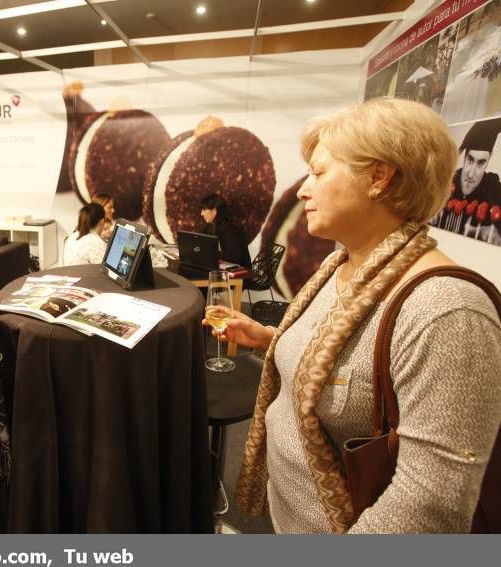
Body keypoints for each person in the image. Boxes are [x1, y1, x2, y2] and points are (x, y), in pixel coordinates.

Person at [209, 97, 501, 533]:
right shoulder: (342, 267)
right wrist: (272, 337)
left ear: (379, 178)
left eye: (319, 172)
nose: (305, 188)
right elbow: (344, 362)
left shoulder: (447, 310)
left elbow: (428, 507)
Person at [433, 117, 501, 244]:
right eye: (470, 160)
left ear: (490, 158)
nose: (471, 174)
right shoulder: (446, 182)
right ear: (464, 157)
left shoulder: (494, 189)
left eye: (481, 163)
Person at [200, 193, 251, 267]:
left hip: (239, 275)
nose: (201, 213)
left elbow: (235, 257)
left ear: (214, 211)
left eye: (204, 209)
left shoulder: (231, 230)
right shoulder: (209, 227)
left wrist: (211, 252)